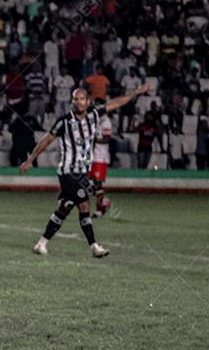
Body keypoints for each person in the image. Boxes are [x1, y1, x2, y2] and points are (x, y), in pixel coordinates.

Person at [19, 84, 151, 258]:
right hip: (68, 172)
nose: (78, 102)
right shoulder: (64, 122)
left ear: (88, 101)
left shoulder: (94, 115)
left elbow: (116, 103)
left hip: (81, 172)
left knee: (64, 208)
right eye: (75, 99)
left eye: (81, 99)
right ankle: (94, 247)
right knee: (84, 205)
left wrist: (135, 92)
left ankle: (41, 243)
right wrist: (30, 159)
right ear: (72, 101)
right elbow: (46, 140)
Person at [90, 113, 113, 217]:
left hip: (101, 157)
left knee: (97, 184)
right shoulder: (92, 119)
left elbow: (107, 139)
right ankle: (104, 201)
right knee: (88, 183)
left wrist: (94, 140)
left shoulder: (105, 121)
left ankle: (100, 209)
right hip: (92, 157)